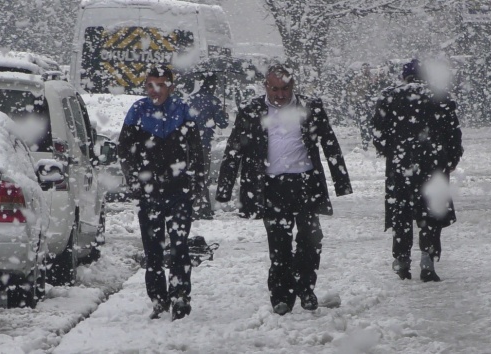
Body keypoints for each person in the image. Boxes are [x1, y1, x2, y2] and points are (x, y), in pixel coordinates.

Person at [215, 64, 353, 315]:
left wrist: (341, 180)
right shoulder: (251, 111)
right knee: (279, 244)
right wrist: (224, 189)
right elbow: (234, 149)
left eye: (285, 88)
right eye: (275, 88)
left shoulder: (310, 107)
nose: (280, 94)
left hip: (305, 183)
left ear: (293, 85)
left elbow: (329, 142)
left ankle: (306, 288)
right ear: (265, 86)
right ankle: (281, 297)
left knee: (311, 240)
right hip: (271, 186)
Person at [118, 65, 204, 320]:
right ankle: (158, 297)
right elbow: (124, 150)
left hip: (179, 190)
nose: (155, 91)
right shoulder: (137, 111)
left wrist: (196, 183)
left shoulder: (183, 111)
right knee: (153, 249)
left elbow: (197, 150)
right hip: (149, 191)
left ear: (171, 87)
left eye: (161, 85)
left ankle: (180, 297)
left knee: (179, 246)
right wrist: (134, 181)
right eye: (150, 85)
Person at [371, 59, 463, 282]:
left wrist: (390, 150)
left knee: (400, 211)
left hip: (400, 165)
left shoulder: (389, 97)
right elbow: (453, 132)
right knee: (430, 211)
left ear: (404, 76)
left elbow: (377, 132)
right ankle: (428, 258)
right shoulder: (440, 96)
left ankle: (402, 259)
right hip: (433, 163)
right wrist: (451, 157)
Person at [187, 71, 229, 219]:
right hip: (204, 144)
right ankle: (202, 208)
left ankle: (194, 207)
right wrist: (224, 115)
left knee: (192, 175)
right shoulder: (213, 101)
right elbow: (222, 124)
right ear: (212, 84)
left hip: (188, 143)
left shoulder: (190, 99)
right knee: (202, 175)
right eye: (215, 83)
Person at [348, 62, 378, 150]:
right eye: (365, 68)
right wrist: (358, 100)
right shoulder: (357, 78)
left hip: (371, 104)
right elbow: (351, 91)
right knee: (363, 124)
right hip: (361, 104)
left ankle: (370, 139)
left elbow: (376, 89)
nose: (366, 70)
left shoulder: (373, 78)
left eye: (368, 68)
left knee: (372, 123)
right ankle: (365, 141)